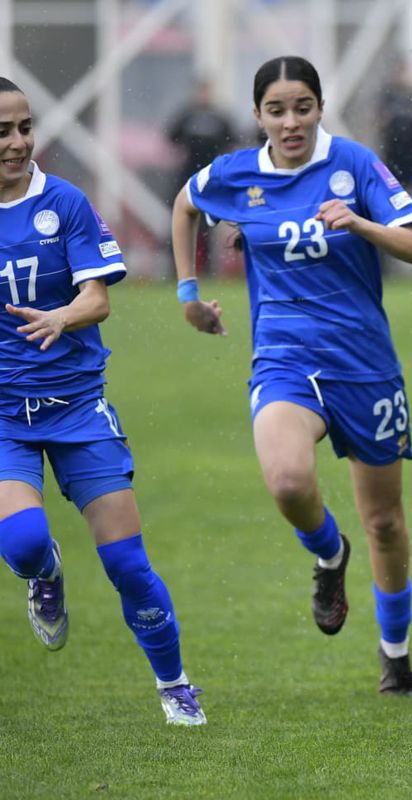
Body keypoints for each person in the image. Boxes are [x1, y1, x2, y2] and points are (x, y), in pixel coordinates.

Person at [169, 56, 412, 695]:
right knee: (287, 480)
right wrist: (188, 294)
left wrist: (360, 222)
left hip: (364, 364)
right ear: (257, 115)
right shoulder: (235, 175)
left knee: (387, 522)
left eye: (303, 108)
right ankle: (328, 551)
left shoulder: (356, 165)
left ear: (319, 107)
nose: (291, 123)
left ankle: (395, 654)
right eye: (276, 110)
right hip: (283, 357)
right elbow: (184, 205)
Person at [0, 77, 206, 726]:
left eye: (25, 127)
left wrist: (63, 316)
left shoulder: (63, 203)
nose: (17, 142)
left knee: (128, 564)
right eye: (2, 132)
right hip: (5, 417)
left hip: (76, 407)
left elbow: (99, 299)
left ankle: (174, 685)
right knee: (27, 541)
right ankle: (46, 573)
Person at [167, 80, 236, 277]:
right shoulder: (186, 115)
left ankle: (206, 270)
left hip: (211, 179)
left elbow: (232, 140)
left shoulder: (219, 117)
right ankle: (177, 270)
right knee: (181, 221)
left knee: (208, 226)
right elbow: (171, 137)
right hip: (186, 177)